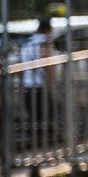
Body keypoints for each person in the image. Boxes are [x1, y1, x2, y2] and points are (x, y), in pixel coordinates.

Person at [17, 13, 55, 145]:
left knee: (34, 119)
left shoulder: (27, 43)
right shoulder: (45, 42)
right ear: (47, 30)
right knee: (45, 118)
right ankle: (44, 147)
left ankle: (34, 146)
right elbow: (49, 65)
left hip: (27, 86)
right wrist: (52, 86)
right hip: (40, 87)